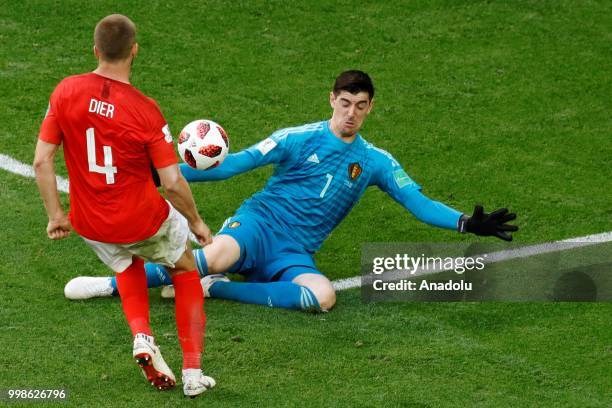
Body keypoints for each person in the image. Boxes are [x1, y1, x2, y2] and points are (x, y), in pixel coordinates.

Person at [65, 70, 517, 312]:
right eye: (345, 103)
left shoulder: (377, 161)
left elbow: (415, 200)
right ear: (332, 100)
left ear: (371, 107)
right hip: (258, 225)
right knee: (213, 254)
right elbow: (233, 166)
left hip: (295, 251)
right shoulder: (297, 138)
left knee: (323, 297)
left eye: (361, 106)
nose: (351, 114)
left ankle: (216, 291)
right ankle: (108, 285)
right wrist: (152, 176)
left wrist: (463, 221)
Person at [34, 14, 215, 397]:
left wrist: (55, 216)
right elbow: (171, 182)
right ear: (134, 51)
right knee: (184, 270)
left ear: (95, 50)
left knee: (126, 260)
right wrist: (196, 222)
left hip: (90, 223)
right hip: (142, 220)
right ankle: (194, 373)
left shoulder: (65, 91)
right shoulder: (144, 110)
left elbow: (41, 160)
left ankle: (143, 336)